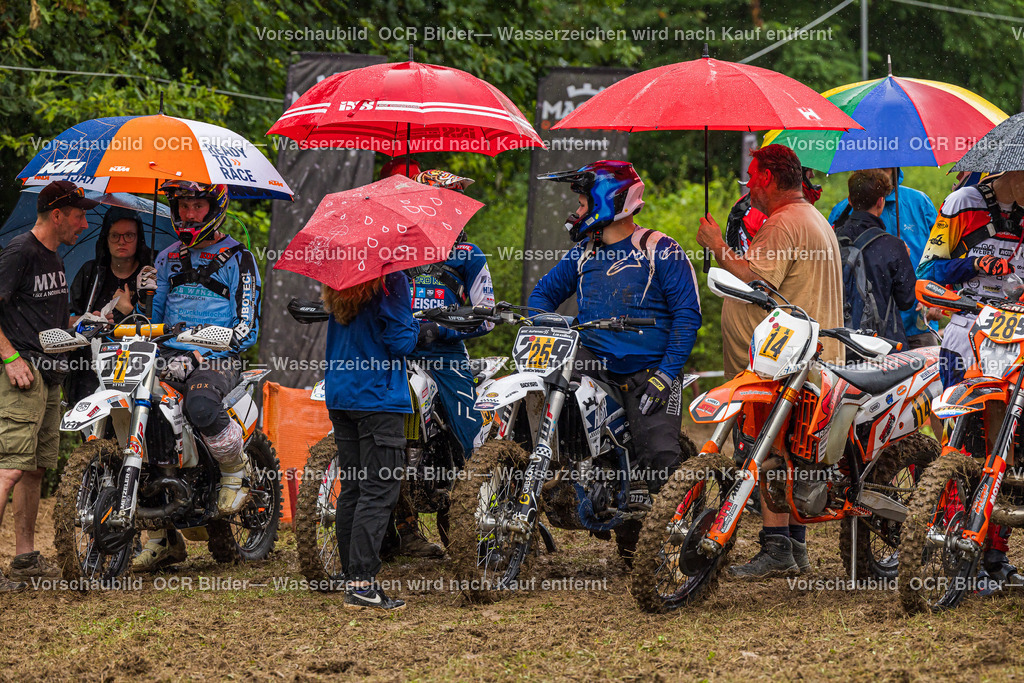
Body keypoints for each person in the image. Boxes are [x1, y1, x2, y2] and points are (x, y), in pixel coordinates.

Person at [697, 144, 844, 578]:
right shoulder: (811, 218)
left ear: (767, 179)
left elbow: (756, 277)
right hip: (801, 362)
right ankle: (791, 548)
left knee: (763, 451)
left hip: (779, 368)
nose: (748, 187)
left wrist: (716, 245)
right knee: (790, 453)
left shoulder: (784, 223)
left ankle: (779, 547)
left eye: (752, 177)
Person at [529, 160, 702, 508]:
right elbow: (541, 297)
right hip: (596, 366)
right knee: (550, 373)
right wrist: (546, 325)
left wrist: (667, 375)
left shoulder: (660, 248)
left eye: (581, 204)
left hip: (650, 371)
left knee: (660, 461)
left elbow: (687, 316)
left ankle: (683, 530)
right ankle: (564, 469)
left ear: (610, 202)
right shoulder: (583, 253)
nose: (576, 211)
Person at [132, 181, 261, 571]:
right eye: (183, 206)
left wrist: (212, 343)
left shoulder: (240, 257)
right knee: (140, 419)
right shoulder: (167, 257)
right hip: (171, 355)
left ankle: (233, 470)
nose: (188, 214)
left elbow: (248, 327)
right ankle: (159, 537)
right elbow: (151, 326)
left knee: (201, 404)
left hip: (219, 355)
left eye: (196, 206)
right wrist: (145, 296)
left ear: (214, 208)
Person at [916, 170, 1024, 587]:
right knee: (960, 440)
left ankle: (995, 553)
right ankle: (951, 540)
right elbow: (927, 268)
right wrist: (974, 263)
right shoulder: (963, 203)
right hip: (965, 328)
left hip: (1015, 332)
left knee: (1007, 444)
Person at [0, 180, 95, 592]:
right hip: (22, 376)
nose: (85, 223)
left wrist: (86, 322)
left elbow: (49, 321)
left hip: (51, 377)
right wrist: (9, 357)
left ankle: (24, 559)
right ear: (57, 215)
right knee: (8, 468)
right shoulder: (21, 251)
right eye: (78, 215)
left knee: (36, 470)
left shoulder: (54, 259)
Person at [400, 169, 495, 558]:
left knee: (469, 429)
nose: (453, 211)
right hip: (399, 352)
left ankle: (486, 526)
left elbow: (487, 314)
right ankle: (400, 532)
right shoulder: (397, 250)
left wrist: (444, 331)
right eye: (444, 202)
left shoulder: (469, 255)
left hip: (445, 355)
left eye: (458, 204)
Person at [322, 272, 418, 611]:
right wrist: (419, 326)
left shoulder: (340, 279)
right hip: (378, 397)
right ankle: (362, 585)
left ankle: (351, 576)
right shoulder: (391, 279)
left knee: (355, 488)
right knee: (379, 491)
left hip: (340, 393)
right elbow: (401, 341)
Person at [830, 168, 940, 348]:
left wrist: (937, 296)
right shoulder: (841, 212)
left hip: (918, 325)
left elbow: (940, 255)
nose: (879, 170)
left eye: (885, 167)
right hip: (859, 330)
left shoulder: (919, 203)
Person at [66, 207, 153, 406]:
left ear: (139, 238)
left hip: (137, 367)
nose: (121, 241)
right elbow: (70, 317)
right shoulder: (91, 273)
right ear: (105, 238)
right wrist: (90, 322)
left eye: (129, 235)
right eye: (115, 235)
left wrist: (128, 310)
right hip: (90, 368)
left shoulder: (150, 275)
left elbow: (159, 324)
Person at [836, 169, 917, 359]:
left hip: (840, 341)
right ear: (881, 202)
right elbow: (907, 300)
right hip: (883, 344)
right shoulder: (892, 245)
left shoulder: (832, 238)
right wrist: (903, 257)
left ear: (849, 200)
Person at [726, 166, 822, 256]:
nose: (812, 175)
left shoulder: (770, 202)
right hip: (756, 269)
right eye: (809, 170)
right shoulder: (767, 209)